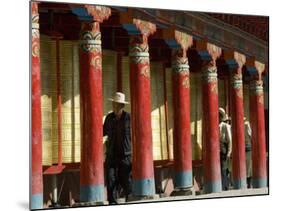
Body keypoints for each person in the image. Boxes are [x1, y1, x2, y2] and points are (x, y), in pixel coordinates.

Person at [103, 92, 132, 204]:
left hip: (125, 153)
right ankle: (112, 202)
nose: (115, 107)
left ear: (122, 106)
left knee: (125, 179)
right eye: (114, 104)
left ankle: (129, 200)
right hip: (111, 153)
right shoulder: (109, 118)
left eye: (118, 105)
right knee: (110, 178)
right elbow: (103, 132)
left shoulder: (128, 118)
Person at [219, 107, 232, 190]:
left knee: (224, 168)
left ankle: (225, 186)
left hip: (224, 149)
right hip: (216, 150)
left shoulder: (225, 126)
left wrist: (229, 152)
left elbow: (229, 140)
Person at [244, 117, 252, 188]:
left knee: (248, 166)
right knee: (248, 166)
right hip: (247, 147)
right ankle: (248, 183)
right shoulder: (246, 124)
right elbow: (250, 135)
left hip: (247, 147)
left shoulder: (246, 124)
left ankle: (248, 182)